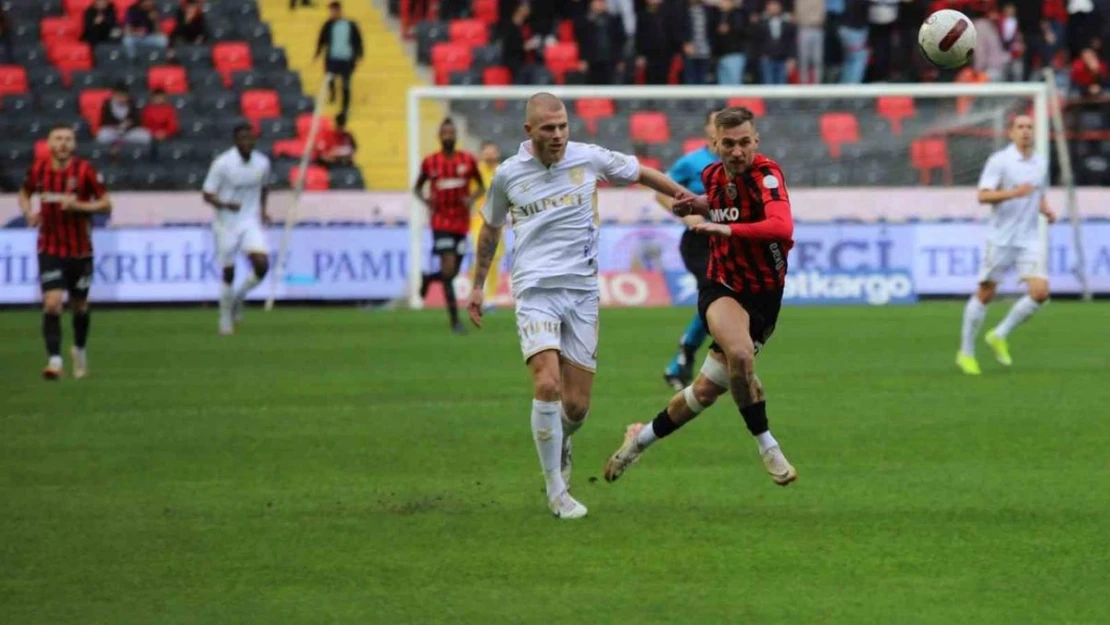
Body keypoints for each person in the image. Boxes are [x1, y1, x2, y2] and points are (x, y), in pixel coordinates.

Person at [466, 92, 696, 519]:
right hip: (535, 291)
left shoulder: (588, 157)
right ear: (529, 131)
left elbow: (642, 173)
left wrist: (689, 200)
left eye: (563, 126)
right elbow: (491, 228)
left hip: (583, 294)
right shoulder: (508, 175)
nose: (557, 135)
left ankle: (562, 439)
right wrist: (479, 285)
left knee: (575, 408)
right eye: (548, 128)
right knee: (547, 385)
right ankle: (556, 491)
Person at [603, 106, 798, 488]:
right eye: (729, 144)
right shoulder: (710, 175)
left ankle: (637, 440)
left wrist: (729, 230)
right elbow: (724, 202)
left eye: (744, 142)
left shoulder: (768, 175)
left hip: (766, 297)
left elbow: (781, 225)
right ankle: (767, 445)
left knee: (704, 393)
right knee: (740, 355)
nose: (737, 151)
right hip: (723, 286)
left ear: (756, 141)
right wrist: (698, 204)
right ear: (715, 144)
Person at [956, 115, 1056, 375]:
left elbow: (1038, 194)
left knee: (1040, 292)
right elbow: (983, 195)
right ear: (1011, 133)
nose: (1025, 131)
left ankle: (998, 334)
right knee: (986, 293)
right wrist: (1012, 193)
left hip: (1029, 239)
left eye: (1030, 127)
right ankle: (965, 352)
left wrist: (1046, 210)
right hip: (1001, 238)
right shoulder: (1000, 161)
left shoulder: (1041, 163)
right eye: (1020, 127)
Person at [17, 125, 112, 380]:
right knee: (52, 302)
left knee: (80, 306)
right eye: (58, 139)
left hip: (80, 251)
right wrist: (29, 213)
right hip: (49, 247)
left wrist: (78, 204)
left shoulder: (85, 171)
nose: (63, 144)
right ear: (49, 143)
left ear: (74, 144)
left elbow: (106, 203)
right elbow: (24, 192)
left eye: (68, 139)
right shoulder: (39, 169)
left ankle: (79, 349)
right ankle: (55, 360)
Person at [659, 110, 719, 391]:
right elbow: (661, 190)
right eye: (717, 123)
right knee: (716, 289)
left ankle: (682, 360)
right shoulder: (692, 161)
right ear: (707, 129)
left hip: (733, 239)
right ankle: (688, 351)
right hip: (699, 241)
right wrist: (687, 216)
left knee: (723, 298)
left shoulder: (745, 163)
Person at [413, 119, 484, 334]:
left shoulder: (467, 160)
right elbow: (417, 188)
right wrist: (427, 202)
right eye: (445, 133)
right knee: (448, 267)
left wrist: (471, 199)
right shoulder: (430, 162)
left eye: (452, 133)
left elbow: (480, 186)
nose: (448, 137)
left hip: (461, 223)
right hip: (441, 222)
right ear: (439, 136)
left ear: (456, 136)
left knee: (451, 274)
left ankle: (428, 278)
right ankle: (455, 322)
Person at [202, 124, 272, 336]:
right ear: (235, 141)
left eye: (250, 138)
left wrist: (263, 211)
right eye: (243, 138)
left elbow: (265, 187)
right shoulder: (222, 163)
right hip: (226, 223)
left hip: (249, 221)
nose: (247, 142)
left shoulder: (262, 162)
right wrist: (224, 204)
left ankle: (238, 298)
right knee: (228, 272)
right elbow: (207, 194)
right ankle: (225, 321)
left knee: (262, 265)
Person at [314, 1, 363, 118]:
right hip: (332, 58)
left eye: (334, 11)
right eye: (331, 11)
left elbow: (358, 40)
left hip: (346, 59)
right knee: (329, 78)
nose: (332, 13)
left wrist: (359, 54)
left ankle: (345, 107)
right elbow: (321, 39)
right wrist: (318, 52)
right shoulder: (327, 25)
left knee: (346, 83)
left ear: (340, 11)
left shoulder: (350, 24)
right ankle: (333, 95)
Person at [470, 141, 504, 305]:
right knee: (480, 256)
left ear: (497, 153)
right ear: (482, 154)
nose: (490, 155)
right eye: (487, 152)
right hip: (479, 220)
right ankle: (477, 292)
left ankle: (490, 297)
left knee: (495, 259)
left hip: (498, 221)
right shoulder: (475, 171)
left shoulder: (503, 171)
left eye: (493, 152)